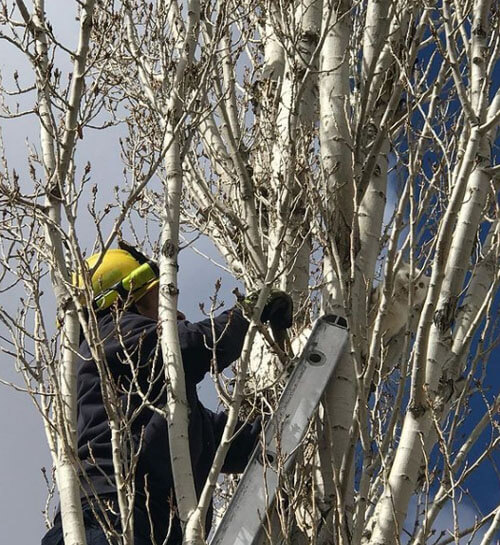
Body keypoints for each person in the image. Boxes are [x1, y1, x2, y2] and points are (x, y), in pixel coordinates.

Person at [41, 242, 293, 545]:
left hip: (151, 524)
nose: (177, 313)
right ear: (122, 299)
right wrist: (247, 314)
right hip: (107, 516)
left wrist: (290, 402)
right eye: (157, 299)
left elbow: (231, 443)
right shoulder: (111, 335)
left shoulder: (169, 405)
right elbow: (187, 348)